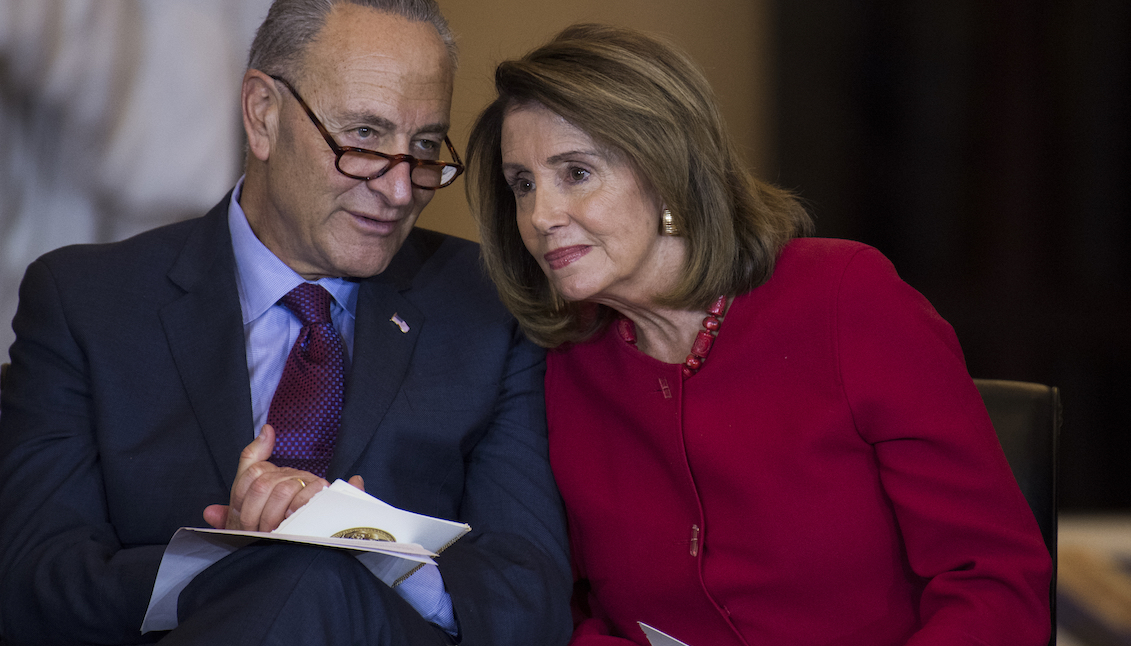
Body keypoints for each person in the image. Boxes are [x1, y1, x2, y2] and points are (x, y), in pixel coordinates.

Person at [0, 1, 571, 645]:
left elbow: (531, 600)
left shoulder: (486, 304)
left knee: (320, 584)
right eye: (362, 139)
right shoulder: (87, 302)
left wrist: (372, 555)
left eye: (424, 149)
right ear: (262, 115)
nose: (400, 190)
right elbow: (32, 591)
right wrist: (229, 565)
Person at [465, 23, 1053, 646]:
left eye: (575, 173)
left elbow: (994, 582)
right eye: (522, 185)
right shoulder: (565, 364)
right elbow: (576, 609)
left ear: (668, 168)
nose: (540, 217)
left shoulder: (846, 299)